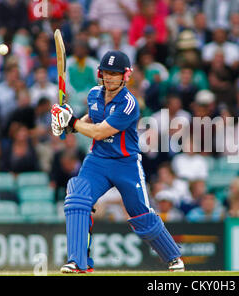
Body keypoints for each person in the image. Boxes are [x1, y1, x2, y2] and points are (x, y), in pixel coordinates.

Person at [50, 50, 184, 273]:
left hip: (126, 164)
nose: (110, 77)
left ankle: (173, 256)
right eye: (106, 73)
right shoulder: (93, 94)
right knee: (76, 198)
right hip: (98, 161)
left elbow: (101, 131)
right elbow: (91, 119)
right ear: (100, 73)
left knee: (140, 214)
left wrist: (72, 122)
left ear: (126, 75)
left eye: (115, 73)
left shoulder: (129, 103)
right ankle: (77, 262)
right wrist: (68, 125)